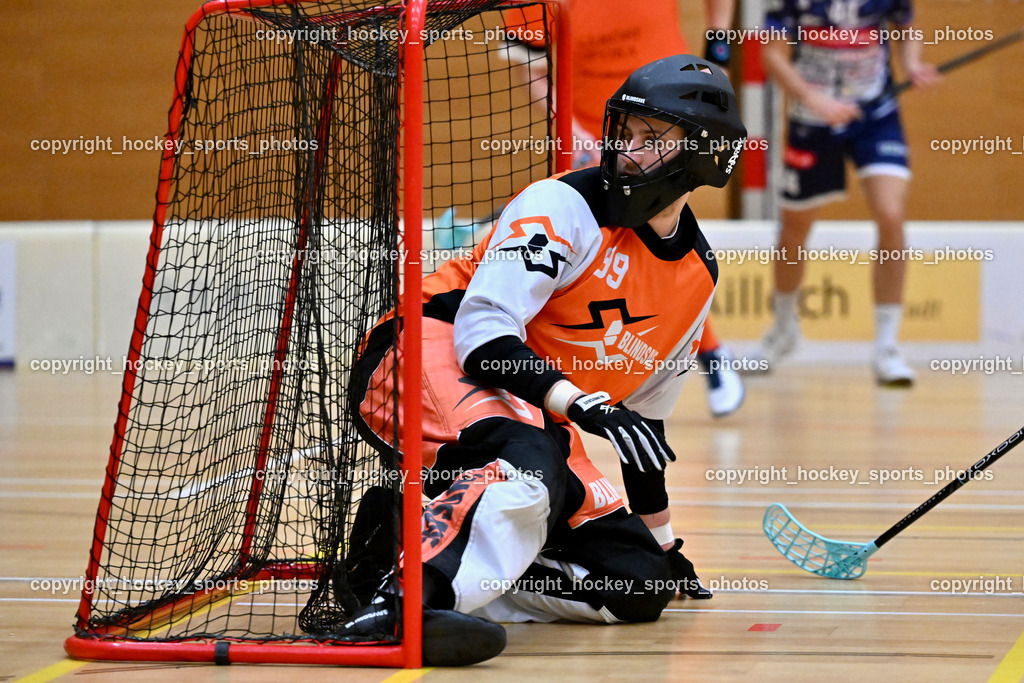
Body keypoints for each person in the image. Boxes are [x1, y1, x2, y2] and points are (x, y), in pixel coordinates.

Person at [343, 55, 746, 666]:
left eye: (651, 139)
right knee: (523, 462)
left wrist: (665, 545)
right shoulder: (562, 204)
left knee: (636, 584)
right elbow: (483, 335)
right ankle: (404, 602)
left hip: (534, 408)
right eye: (626, 133)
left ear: (707, 154)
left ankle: (403, 536)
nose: (626, 152)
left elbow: (647, 427)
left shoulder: (697, 277)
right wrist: (580, 405)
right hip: (424, 350)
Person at [503, 0, 746, 417]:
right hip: (599, 136)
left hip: (670, 132)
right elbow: (533, 68)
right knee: (611, 257)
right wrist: (578, 136)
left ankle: (709, 358)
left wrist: (719, 39)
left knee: (664, 249)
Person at [754, 0, 940, 385]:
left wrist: (913, 63)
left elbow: (906, 26)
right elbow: (771, 53)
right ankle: (784, 328)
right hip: (812, 119)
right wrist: (814, 100)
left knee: (891, 215)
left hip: (877, 114)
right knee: (794, 228)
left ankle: (887, 347)